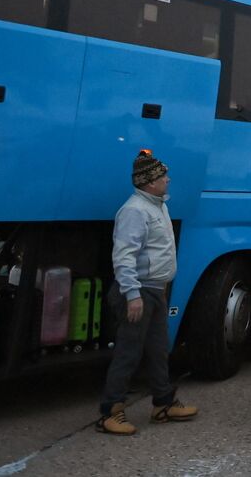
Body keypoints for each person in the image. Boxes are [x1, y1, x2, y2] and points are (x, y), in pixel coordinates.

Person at [96, 151, 198, 436]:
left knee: (157, 350)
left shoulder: (158, 206)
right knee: (128, 353)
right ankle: (110, 412)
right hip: (139, 290)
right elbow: (124, 255)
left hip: (154, 289)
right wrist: (132, 294)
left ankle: (163, 403)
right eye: (162, 175)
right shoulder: (134, 211)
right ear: (149, 182)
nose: (168, 179)